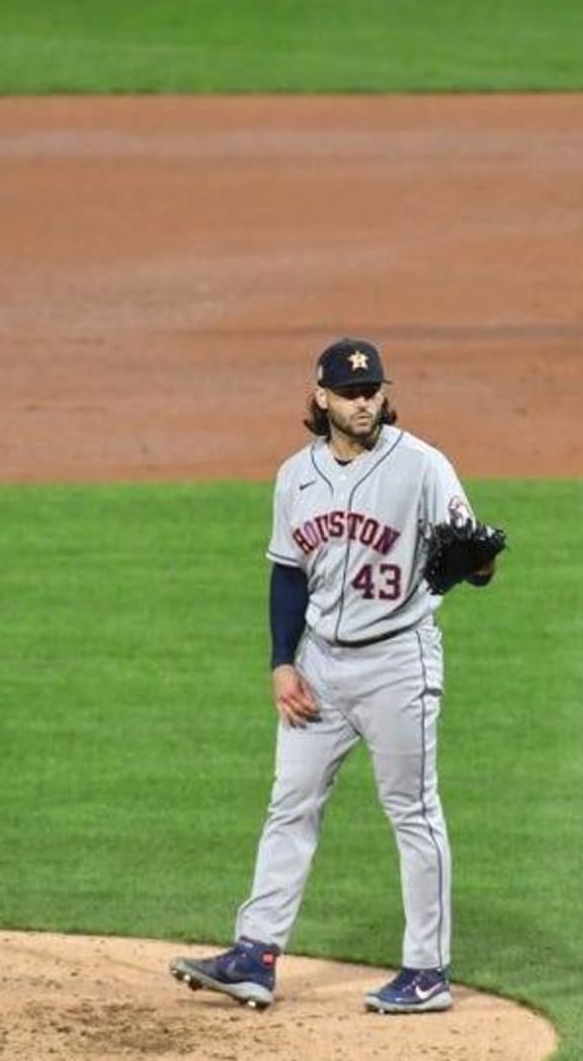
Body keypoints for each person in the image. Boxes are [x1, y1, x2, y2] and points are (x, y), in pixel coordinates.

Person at [169, 337, 498, 1015]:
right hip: (319, 662)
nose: (363, 403)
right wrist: (282, 661)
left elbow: (475, 558)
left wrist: (479, 565)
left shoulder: (424, 465)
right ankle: (255, 954)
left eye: (372, 390)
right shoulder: (296, 475)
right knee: (290, 805)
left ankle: (427, 970)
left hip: (396, 661)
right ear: (321, 397)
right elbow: (288, 572)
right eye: (350, 393)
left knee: (412, 809)